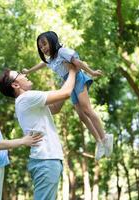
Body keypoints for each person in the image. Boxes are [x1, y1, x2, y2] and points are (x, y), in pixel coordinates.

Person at [22, 31, 113, 160]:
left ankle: (105, 137)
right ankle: (99, 141)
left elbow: (78, 62)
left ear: (52, 41)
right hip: (69, 83)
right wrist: (29, 71)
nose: (43, 48)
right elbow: (42, 64)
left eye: (44, 44)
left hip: (78, 78)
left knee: (86, 109)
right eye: (40, 47)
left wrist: (92, 72)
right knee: (82, 116)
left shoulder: (62, 52)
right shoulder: (52, 59)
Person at [0, 63, 78, 200]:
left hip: (46, 160)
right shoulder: (26, 98)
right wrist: (73, 70)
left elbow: (55, 108)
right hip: (46, 160)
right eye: (20, 74)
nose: (25, 74)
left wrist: (67, 78)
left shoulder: (27, 102)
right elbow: (65, 93)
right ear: (15, 85)